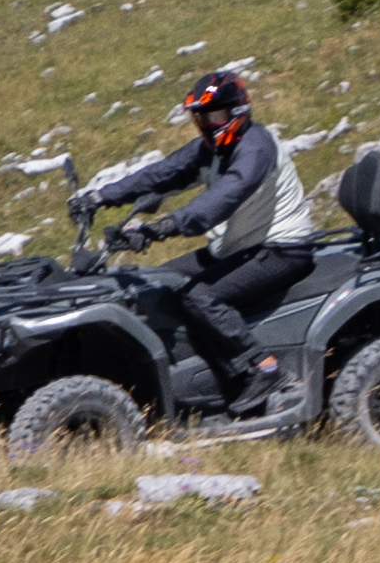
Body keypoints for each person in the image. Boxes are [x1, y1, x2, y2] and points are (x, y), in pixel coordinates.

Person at [86, 64, 323, 412]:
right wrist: (100, 197)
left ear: (238, 111)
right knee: (158, 284)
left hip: (282, 248)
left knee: (200, 297)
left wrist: (163, 227)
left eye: (215, 116)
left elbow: (224, 196)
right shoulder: (212, 149)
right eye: (202, 118)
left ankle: (262, 368)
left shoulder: (255, 147)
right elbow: (162, 173)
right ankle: (204, 377)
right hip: (238, 246)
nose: (208, 125)